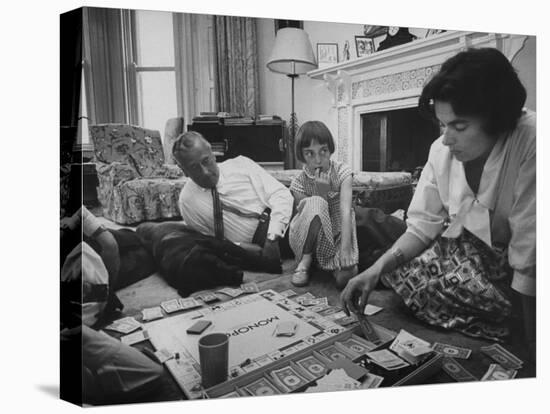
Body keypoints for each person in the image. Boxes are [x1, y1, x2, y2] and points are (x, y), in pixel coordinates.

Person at [341, 48, 535, 350]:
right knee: (406, 273)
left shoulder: (531, 141)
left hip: (519, 264)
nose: (446, 138)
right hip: (469, 251)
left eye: (458, 126)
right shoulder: (440, 151)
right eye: (442, 124)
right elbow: (421, 226)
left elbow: (530, 253)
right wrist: (375, 270)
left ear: (497, 119)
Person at [61, 206, 164, 405]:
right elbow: (150, 373)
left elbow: (109, 245)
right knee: (146, 254)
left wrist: (107, 295)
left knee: (134, 241)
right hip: (86, 306)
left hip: (99, 269)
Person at [173, 131, 294, 270]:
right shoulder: (187, 202)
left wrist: (272, 238)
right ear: (184, 171)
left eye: (206, 161)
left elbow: (281, 194)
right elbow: (211, 242)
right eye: (194, 167)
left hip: (282, 219)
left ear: (213, 154)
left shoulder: (241, 164)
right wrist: (243, 248)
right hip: (255, 244)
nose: (205, 172)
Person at [289, 121, 359, 288]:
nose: (318, 160)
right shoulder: (298, 183)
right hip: (309, 239)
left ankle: (327, 263)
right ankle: (306, 261)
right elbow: (311, 218)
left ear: (330, 149)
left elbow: (346, 211)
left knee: (346, 278)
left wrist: (346, 248)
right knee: (316, 202)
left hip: (338, 232)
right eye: (309, 154)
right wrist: (322, 194)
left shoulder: (343, 172)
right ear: (302, 155)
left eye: (323, 151)